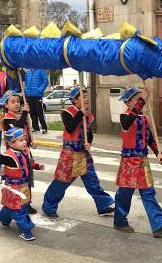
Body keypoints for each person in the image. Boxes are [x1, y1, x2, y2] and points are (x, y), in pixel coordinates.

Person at [42, 87, 114, 218]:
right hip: (70, 154)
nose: (87, 99)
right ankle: (49, 206)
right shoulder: (67, 112)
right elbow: (70, 128)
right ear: (75, 100)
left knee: (92, 181)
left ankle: (103, 205)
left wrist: (89, 143)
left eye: (87, 96)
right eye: (84, 96)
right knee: (61, 182)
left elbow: (89, 134)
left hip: (83, 154)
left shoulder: (89, 116)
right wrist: (80, 113)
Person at [114, 87, 162, 238]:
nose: (139, 101)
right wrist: (143, 99)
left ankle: (159, 225)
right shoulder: (124, 116)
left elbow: (149, 140)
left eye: (139, 98)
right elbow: (128, 123)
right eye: (136, 99)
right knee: (124, 194)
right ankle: (120, 221)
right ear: (128, 102)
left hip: (142, 161)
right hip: (129, 162)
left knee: (149, 193)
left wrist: (158, 153)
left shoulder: (144, 118)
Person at [0, 127, 43, 241]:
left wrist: (37, 166)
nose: (24, 142)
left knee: (11, 207)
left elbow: (29, 164)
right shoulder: (7, 155)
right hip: (12, 188)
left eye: (24, 139)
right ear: (11, 143)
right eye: (21, 140)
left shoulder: (25, 151)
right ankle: (26, 230)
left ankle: (3, 218)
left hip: (24, 186)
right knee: (19, 209)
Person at [0, 90, 39, 215]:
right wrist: (25, 112)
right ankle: (12, 203)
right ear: (6, 105)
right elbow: (18, 127)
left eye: (18, 102)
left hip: (25, 151)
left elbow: (24, 131)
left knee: (27, 178)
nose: (17, 104)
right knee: (16, 180)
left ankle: (27, 202)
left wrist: (30, 141)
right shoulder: (7, 119)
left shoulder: (20, 116)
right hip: (13, 156)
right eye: (13, 102)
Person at [24, 68, 48, 134]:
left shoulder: (41, 70)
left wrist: (40, 89)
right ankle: (35, 128)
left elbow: (45, 81)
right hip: (29, 95)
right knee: (32, 112)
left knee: (40, 111)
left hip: (38, 95)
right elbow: (26, 82)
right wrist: (26, 89)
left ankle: (44, 128)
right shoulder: (28, 72)